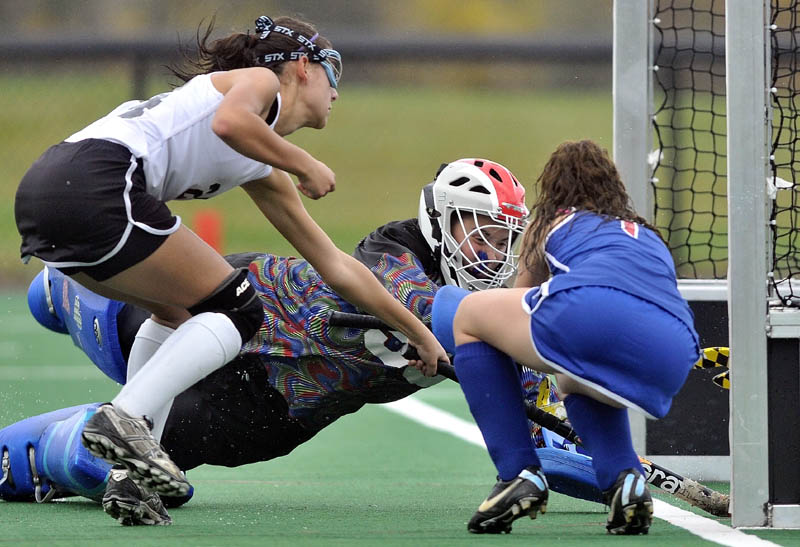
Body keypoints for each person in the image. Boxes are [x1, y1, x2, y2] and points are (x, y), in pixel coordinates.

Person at [2, 160, 603, 526]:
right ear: (441, 222)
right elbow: (428, 311)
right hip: (228, 311)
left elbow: (541, 443)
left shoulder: (492, 316)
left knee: (102, 460)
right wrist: (505, 342)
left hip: (267, 411)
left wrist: (612, 471)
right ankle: (61, 287)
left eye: (503, 239)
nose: (492, 253)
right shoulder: (394, 252)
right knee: (55, 298)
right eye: (480, 233)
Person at [12, 14, 447, 499]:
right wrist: (305, 162)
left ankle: (131, 466)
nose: (337, 92)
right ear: (302, 66)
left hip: (51, 195)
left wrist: (419, 333)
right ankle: (126, 421)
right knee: (238, 309)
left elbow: (339, 268)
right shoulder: (259, 83)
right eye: (333, 72)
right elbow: (229, 121)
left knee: (175, 312)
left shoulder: (260, 164)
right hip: (95, 183)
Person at [440, 140, 701, 535]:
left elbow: (516, 302)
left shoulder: (549, 220)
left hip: (592, 315)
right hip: (677, 346)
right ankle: (625, 481)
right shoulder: (644, 234)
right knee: (571, 377)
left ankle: (518, 474)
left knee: (464, 315)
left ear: (555, 186)